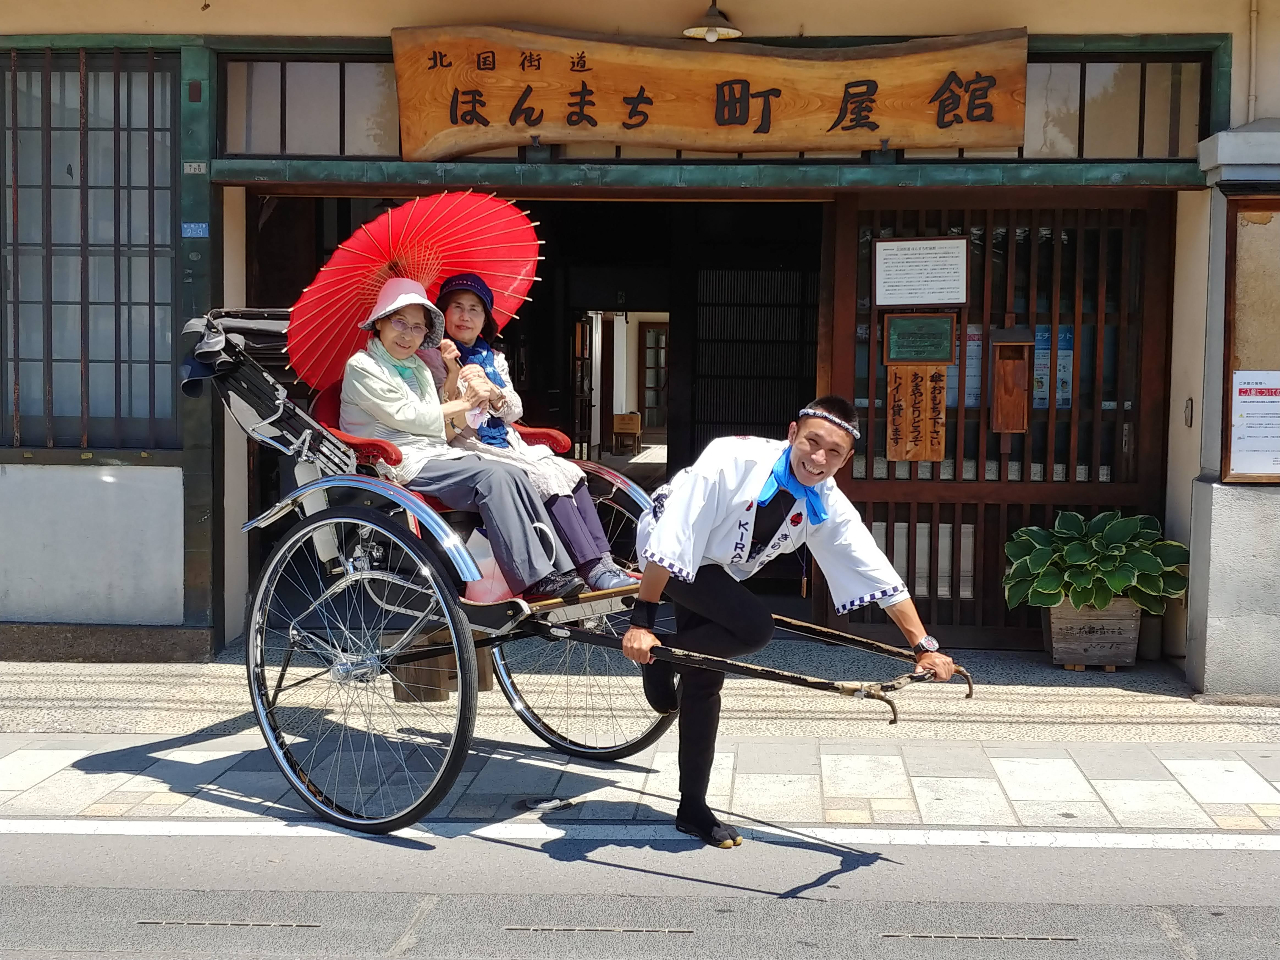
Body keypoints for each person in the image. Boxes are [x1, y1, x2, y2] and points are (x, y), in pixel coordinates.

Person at [621, 396, 956, 848]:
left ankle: (692, 807)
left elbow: (871, 566)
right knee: (754, 626)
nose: (818, 459)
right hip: (666, 546)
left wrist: (923, 645)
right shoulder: (730, 457)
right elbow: (676, 533)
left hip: (718, 567)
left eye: (833, 452)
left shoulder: (825, 499)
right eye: (812, 442)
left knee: (705, 676)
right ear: (793, 433)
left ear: (846, 458)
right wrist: (642, 620)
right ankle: (663, 655)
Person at [339, 277, 586, 601]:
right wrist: (466, 402)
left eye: (417, 327)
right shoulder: (363, 365)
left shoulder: (418, 367)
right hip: (397, 459)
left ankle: (559, 568)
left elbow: (441, 424)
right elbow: (413, 415)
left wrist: (464, 395)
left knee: (515, 472)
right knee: (493, 476)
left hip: (436, 452)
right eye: (399, 322)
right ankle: (533, 579)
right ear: (380, 322)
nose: (407, 334)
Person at [422, 272, 633, 592]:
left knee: (565, 469)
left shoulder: (493, 359)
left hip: (506, 440)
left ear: (485, 319)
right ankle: (588, 567)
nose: (465, 316)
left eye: (474, 309)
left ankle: (603, 560)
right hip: (467, 445)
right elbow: (441, 413)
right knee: (543, 476)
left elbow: (514, 410)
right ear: (443, 314)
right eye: (457, 307)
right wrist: (457, 378)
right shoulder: (431, 358)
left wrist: (492, 391)